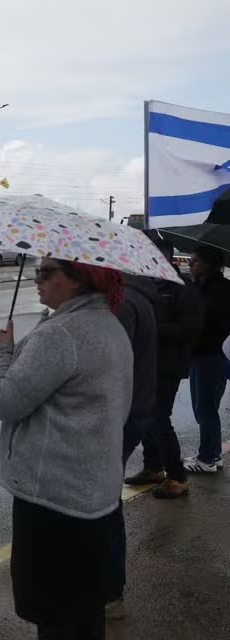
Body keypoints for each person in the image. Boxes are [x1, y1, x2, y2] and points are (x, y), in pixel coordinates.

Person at [0, 257, 133, 640]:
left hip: (52, 503)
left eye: (46, 271)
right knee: (85, 612)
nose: (37, 278)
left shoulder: (61, 334)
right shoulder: (110, 325)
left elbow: (6, 402)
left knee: (54, 616)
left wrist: (2, 353)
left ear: (76, 279)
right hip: (96, 499)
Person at [125, 238, 203, 497]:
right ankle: (153, 466)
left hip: (168, 364)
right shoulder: (142, 285)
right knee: (143, 415)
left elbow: (191, 328)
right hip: (144, 362)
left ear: (166, 257)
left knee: (158, 418)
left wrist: (150, 328)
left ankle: (177, 477)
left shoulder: (181, 287)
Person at [104, 273, 157, 618]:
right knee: (105, 499)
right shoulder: (141, 298)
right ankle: (109, 591)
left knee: (105, 503)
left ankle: (110, 593)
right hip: (136, 407)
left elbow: (110, 366)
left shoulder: (123, 304)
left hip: (121, 414)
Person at [184, 246, 230, 473]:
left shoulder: (216, 292)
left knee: (204, 408)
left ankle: (207, 459)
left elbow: (206, 324)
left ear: (208, 265)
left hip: (210, 355)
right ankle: (214, 454)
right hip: (209, 355)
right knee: (207, 407)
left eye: (195, 261)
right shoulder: (208, 287)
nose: (190, 264)